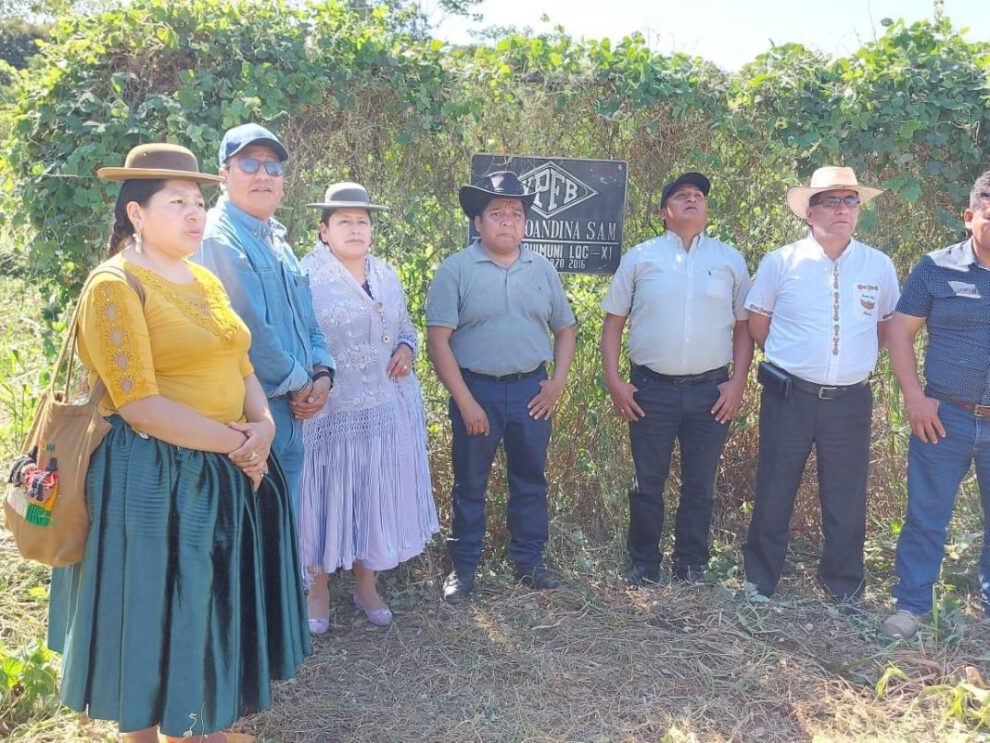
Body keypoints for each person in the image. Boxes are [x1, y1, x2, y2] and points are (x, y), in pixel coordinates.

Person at [46, 143, 311, 742]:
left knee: (205, 604)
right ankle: (153, 733)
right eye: (177, 203)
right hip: (153, 477)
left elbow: (240, 362)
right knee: (154, 610)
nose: (195, 214)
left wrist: (262, 427)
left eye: (198, 201)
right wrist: (237, 445)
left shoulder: (200, 276)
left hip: (223, 469)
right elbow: (138, 402)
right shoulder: (114, 285)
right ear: (137, 214)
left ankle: (200, 726)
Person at [742, 166, 900, 604]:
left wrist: (847, 365)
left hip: (850, 400)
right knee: (775, 486)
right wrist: (799, 361)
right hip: (789, 394)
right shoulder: (781, 262)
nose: (843, 210)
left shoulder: (878, 265)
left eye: (851, 201)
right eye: (831, 201)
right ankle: (759, 581)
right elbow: (758, 326)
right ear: (809, 213)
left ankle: (843, 586)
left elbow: (885, 328)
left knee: (846, 494)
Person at [425, 171, 576, 602]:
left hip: (532, 392)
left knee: (530, 480)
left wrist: (557, 383)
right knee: (470, 483)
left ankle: (528, 563)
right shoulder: (456, 270)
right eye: (496, 214)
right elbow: (438, 342)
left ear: (525, 223)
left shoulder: (541, 268)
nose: (507, 221)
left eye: (515, 213)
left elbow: (565, 329)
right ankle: (464, 569)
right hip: (477, 393)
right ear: (478, 223)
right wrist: (466, 402)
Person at [297, 182, 438, 634]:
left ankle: (366, 585)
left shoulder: (387, 274)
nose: (355, 229)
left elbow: (407, 328)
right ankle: (317, 590)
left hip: (385, 407)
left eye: (362, 221)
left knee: (374, 494)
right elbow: (297, 340)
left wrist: (405, 348)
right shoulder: (306, 279)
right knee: (326, 495)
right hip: (330, 412)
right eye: (344, 221)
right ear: (323, 230)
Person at [600, 172, 753, 586]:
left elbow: (743, 329)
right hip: (651, 391)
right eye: (682, 196)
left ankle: (691, 565)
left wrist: (737, 382)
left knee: (700, 484)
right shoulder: (641, 257)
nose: (692, 200)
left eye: (699, 196)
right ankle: (644, 564)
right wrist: (615, 381)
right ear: (664, 213)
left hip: (711, 392)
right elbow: (613, 323)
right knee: (647, 483)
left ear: (706, 211)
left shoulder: (729, 260)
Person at [193, 122, 334, 517]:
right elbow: (248, 331)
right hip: (246, 419)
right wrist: (303, 383)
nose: (263, 175)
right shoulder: (219, 239)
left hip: (290, 412)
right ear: (223, 175)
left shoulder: (278, 241)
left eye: (273, 168)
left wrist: (324, 372)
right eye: (249, 163)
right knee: (251, 542)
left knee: (281, 536)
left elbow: (308, 320)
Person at [882, 170, 990, 639]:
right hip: (943, 416)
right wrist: (914, 398)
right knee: (927, 516)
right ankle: (911, 605)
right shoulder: (935, 267)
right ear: (970, 217)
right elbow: (900, 333)